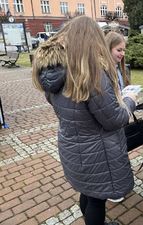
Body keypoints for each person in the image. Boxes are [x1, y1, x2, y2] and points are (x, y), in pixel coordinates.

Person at [32, 16, 137, 225]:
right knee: (97, 201)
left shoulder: (55, 70)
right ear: (93, 39)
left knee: (88, 193)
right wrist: (129, 101)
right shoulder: (91, 73)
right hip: (97, 151)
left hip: (72, 147)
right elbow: (114, 119)